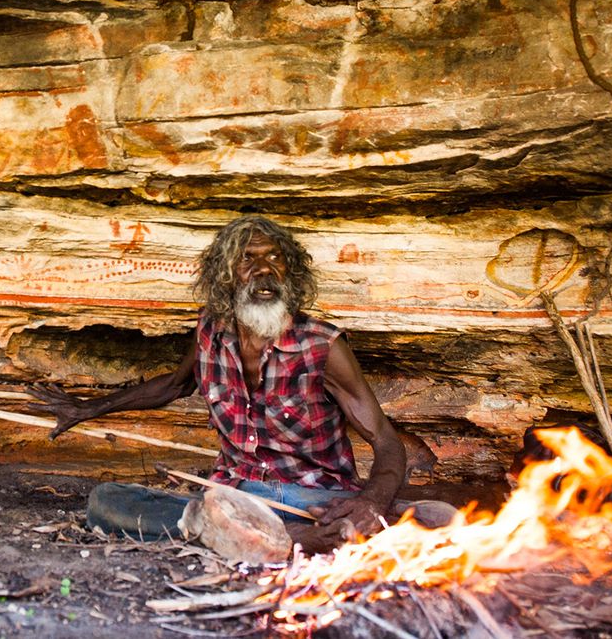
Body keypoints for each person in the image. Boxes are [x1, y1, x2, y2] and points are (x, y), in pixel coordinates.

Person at [29, 214, 413, 550]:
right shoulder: (211, 330)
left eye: (275, 257)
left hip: (310, 498)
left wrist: (371, 503)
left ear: (291, 272)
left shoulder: (321, 346)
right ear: (226, 275)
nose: (264, 269)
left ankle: (268, 535)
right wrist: (86, 409)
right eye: (248, 259)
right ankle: (287, 537)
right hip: (233, 495)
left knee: (422, 520)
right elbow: (175, 385)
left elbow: (386, 440)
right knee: (106, 501)